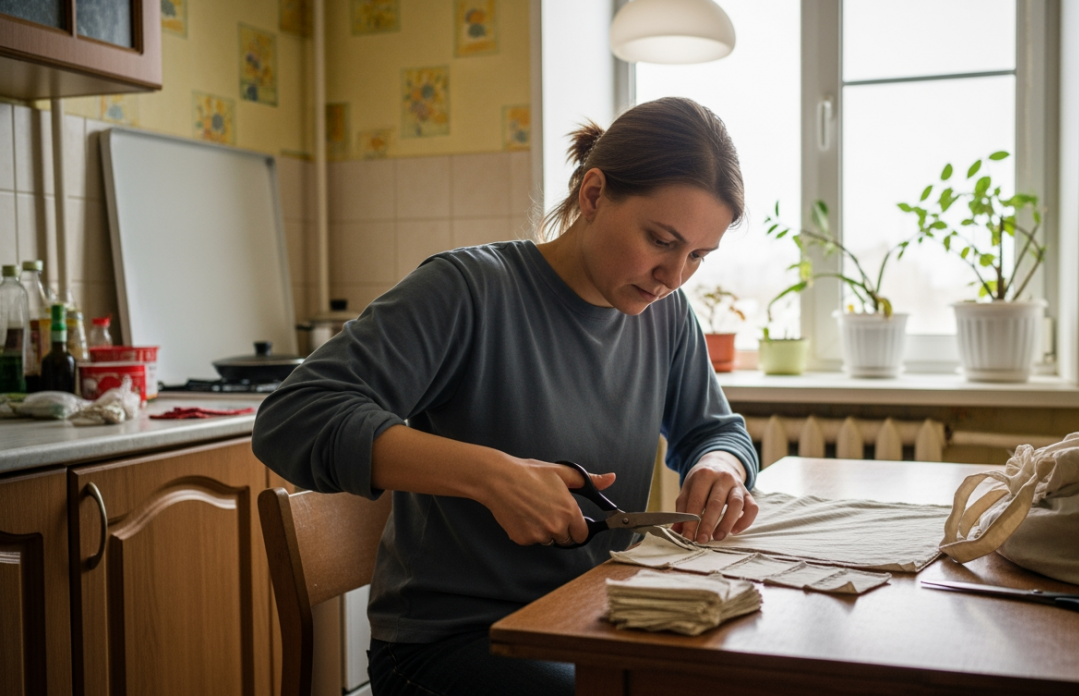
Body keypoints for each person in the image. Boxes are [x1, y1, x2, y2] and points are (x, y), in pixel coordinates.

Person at [252, 96, 760, 696]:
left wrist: (720, 466)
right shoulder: (469, 290)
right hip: (449, 646)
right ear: (593, 196)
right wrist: (491, 475)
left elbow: (717, 431)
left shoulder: (666, 317)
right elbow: (291, 417)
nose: (674, 276)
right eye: (660, 240)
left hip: (589, 621)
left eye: (697, 255)